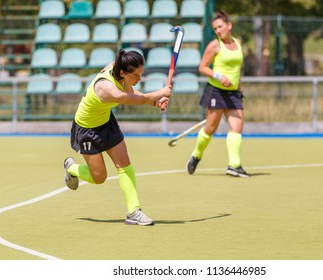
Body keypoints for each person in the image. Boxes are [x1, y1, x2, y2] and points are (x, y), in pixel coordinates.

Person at [64, 49, 171, 226]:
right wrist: (160, 93)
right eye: (136, 75)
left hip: (106, 121)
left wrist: (155, 102)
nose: (139, 79)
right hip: (87, 129)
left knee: (125, 165)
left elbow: (132, 92)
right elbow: (133, 98)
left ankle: (133, 212)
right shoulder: (106, 88)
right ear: (122, 73)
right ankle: (72, 168)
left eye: (141, 74)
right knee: (99, 178)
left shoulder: (119, 69)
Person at [186, 11, 250, 178]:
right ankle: (196, 155)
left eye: (220, 27)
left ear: (229, 25)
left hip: (234, 92)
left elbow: (237, 70)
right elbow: (202, 67)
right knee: (211, 128)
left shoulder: (238, 43)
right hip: (216, 91)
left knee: (237, 127)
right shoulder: (214, 45)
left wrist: (240, 88)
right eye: (215, 28)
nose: (218, 30)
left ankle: (234, 165)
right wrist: (219, 76)